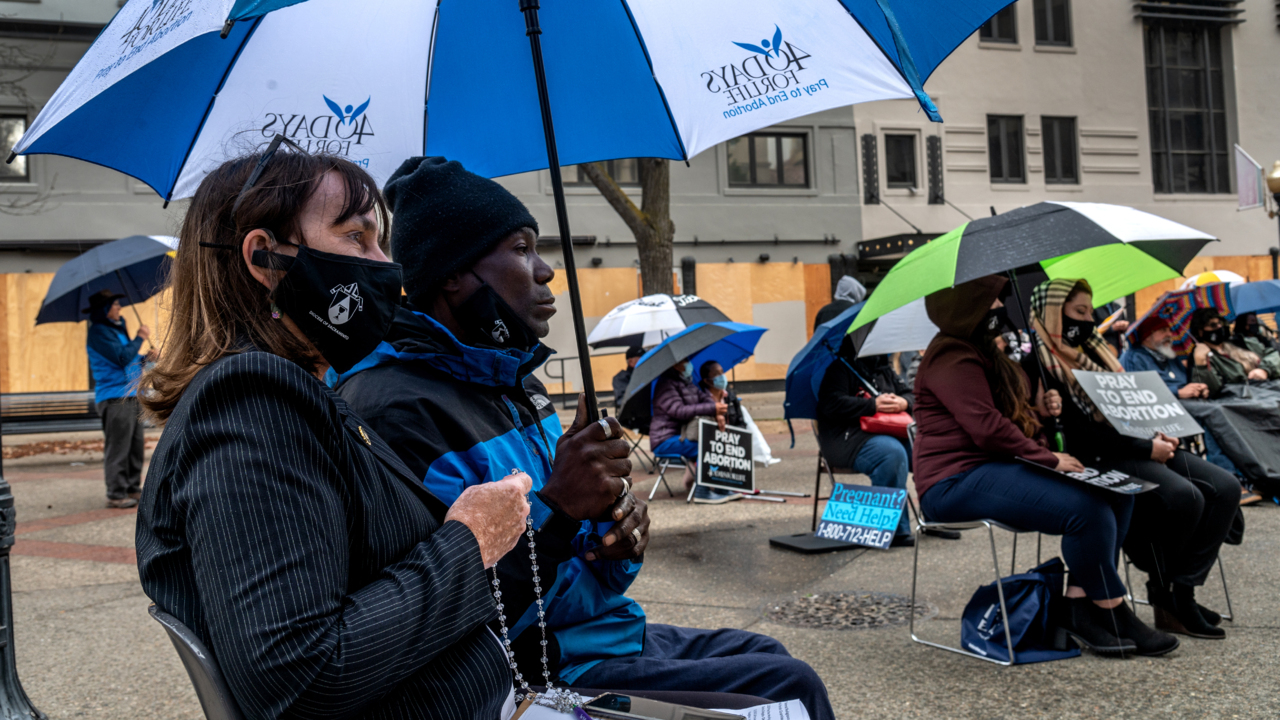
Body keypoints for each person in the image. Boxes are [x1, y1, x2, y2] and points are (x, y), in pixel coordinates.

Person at [335, 157, 833, 720]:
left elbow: (587, 561)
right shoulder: (394, 409)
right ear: (452, 273)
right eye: (521, 249)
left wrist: (619, 538)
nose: (546, 271)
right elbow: (449, 612)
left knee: (769, 654)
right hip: (538, 668)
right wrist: (561, 510)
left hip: (600, 631)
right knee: (786, 689)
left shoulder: (516, 384)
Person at [135, 148, 532, 720]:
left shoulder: (299, 391)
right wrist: (470, 544)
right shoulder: (253, 398)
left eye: (382, 244)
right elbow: (300, 676)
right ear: (265, 258)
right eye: (356, 238)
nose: (385, 269)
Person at [913, 274, 1176, 657]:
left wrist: (1037, 408)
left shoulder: (983, 351)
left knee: (1117, 495)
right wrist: (1048, 458)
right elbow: (986, 428)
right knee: (1086, 511)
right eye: (992, 302)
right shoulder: (951, 355)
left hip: (994, 468)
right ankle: (1113, 610)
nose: (1001, 308)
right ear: (966, 307)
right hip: (954, 481)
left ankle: (1079, 604)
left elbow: (1004, 419)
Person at [1025, 278, 1240, 641]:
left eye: (1090, 312)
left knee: (1225, 488)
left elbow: (1133, 405)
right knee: (1184, 497)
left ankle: (1178, 591)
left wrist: (1159, 431)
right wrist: (1145, 449)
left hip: (1141, 443)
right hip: (1098, 456)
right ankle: (1167, 594)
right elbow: (1075, 435)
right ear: (1053, 312)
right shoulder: (1039, 364)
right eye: (1079, 312)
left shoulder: (1099, 353)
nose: (1089, 321)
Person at [815, 344, 918, 547]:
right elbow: (830, 404)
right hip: (848, 439)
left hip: (887, 432)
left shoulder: (883, 368)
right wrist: (872, 405)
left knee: (928, 450)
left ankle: (935, 518)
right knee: (891, 454)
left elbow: (910, 394)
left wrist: (904, 402)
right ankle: (895, 529)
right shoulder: (839, 368)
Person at [85, 289, 153, 508]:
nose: (119, 307)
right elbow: (122, 357)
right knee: (119, 447)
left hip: (131, 394)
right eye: (115, 304)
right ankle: (116, 493)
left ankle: (132, 488)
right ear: (105, 309)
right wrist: (140, 338)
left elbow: (130, 360)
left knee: (135, 445)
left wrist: (145, 359)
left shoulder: (117, 331)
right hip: (115, 397)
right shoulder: (99, 332)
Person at [650, 357, 739, 504]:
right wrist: (713, 408)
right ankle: (702, 492)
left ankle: (720, 488)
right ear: (675, 365)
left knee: (715, 442)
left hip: (682, 436)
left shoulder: (687, 383)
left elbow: (705, 399)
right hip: (665, 439)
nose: (689, 364)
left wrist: (716, 412)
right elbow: (679, 411)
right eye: (685, 361)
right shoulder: (665, 385)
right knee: (706, 446)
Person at [1188, 308, 1271, 395]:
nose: (1219, 327)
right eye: (1213, 325)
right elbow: (1212, 390)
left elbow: (1272, 354)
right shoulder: (1199, 357)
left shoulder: (1239, 342)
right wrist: (1201, 363)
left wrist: (1265, 370)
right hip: (1243, 399)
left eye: (1220, 323)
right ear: (1200, 332)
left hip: (1266, 388)